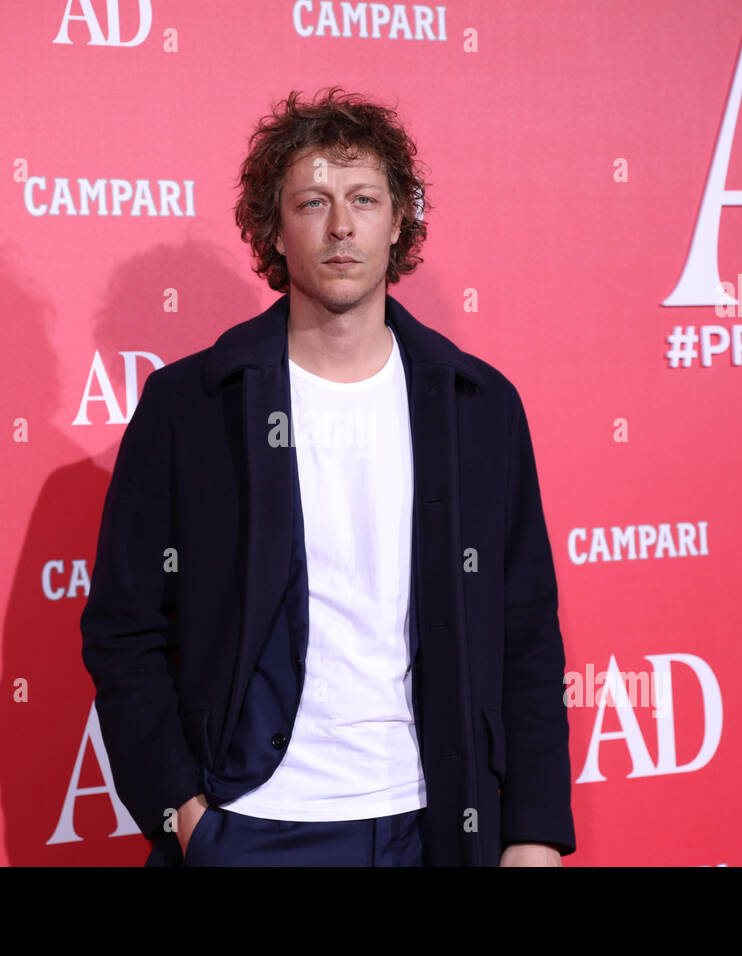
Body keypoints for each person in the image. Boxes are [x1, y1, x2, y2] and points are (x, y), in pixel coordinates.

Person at [80, 87, 575, 866]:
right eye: (312, 201)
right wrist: (186, 812)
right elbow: (123, 629)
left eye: (364, 198)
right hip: (252, 825)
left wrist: (537, 832)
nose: (341, 226)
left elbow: (526, 634)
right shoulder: (191, 406)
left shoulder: (478, 406)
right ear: (273, 228)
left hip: (437, 822)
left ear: (398, 219)